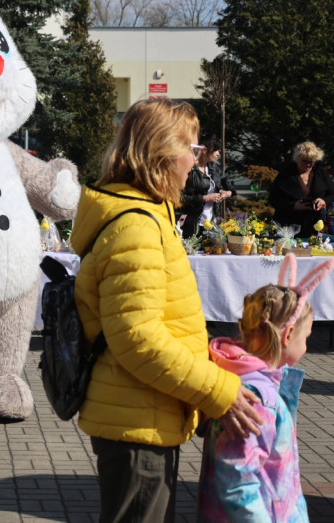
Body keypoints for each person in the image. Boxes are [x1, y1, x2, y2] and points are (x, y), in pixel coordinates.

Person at [72, 98, 262, 522]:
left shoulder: (148, 213)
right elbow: (138, 340)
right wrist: (218, 393)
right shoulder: (136, 225)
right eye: (192, 151)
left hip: (146, 411)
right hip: (139, 420)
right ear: (161, 153)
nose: (195, 165)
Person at [197, 254, 334, 521]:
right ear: (287, 335)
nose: (306, 345)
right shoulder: (258, 399)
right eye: (306, 337)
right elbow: (238, 481)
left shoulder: (240, 383)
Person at [268, 142, 334, 238]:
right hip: (289, 225)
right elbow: (273, 199)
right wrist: (293, 205)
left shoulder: (320, 172)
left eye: (311, 161)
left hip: (315, 225)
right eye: (304, 161)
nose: (308, 164)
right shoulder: (286, 174)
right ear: (297, 159)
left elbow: (333, 194)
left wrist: (323, 201)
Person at [180, 134, 236, 239]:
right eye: (216, 150)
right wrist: (205, 198)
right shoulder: (189, 169)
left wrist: (227, 193)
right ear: (205, 150)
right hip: (192, 224)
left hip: (212, 224)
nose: (218, 154)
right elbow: (179, 197)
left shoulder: (215, 168)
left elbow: (230, 186)